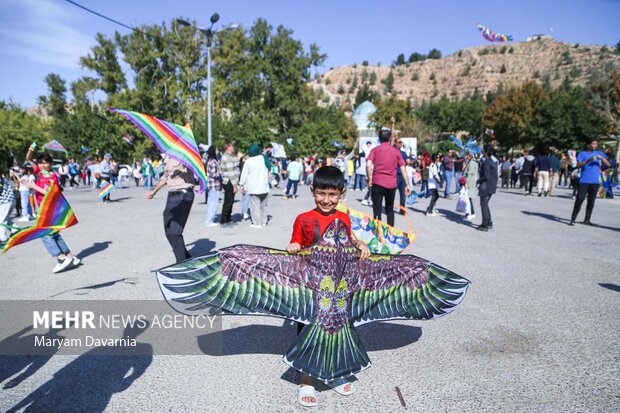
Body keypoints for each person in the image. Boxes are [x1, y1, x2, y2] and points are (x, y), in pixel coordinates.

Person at [286, 165, 370, 407]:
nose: (326, 200)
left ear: (342, 193)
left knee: (336, 329)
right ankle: (306, 379)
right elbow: (295, 242)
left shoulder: (343, 217)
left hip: (336, 286)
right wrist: (293, 246)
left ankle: (333, 373)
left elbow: (350, 240)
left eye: (332, 195)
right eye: (321, 193)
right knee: (308, 331)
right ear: (312, 191)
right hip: (310, 286)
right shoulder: (303, 219)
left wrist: (360, 243)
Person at [25, 147, 81, 273]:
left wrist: (33, 186)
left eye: (46, 163)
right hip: (43, 208)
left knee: (43, 233)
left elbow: (50, 194)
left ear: (51, 164)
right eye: (41, 163)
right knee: (54, 233)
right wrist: (30, 150)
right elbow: (28, 159)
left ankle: (60, 258)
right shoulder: (38, 172)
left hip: (51, 209)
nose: (43, 165)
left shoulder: (53, 177)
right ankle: (70, 256)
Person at [147, 156, 196, 262]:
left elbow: (194, 167)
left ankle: (182, 264)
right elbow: (165, 177)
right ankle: (187, 258)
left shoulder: (186, 154)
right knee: (169, 229)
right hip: (172, 195)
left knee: (175, 231)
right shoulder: (168, 157)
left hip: (183, 194)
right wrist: (154, 191)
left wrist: (186, 164)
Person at [366, 129, 411, 226]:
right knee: (389, 209)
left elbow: (368, 165)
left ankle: (378, 233)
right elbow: (403, 169)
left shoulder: (375, 150)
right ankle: (390, 232)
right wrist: (407, 184)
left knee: (377, 210)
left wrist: (370, 178)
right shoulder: (396, 151)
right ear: (390, 138)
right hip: (391, 185)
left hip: (377, 183)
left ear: (379, 138)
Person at [569, 139, 610, 226]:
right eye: (593, 144)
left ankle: (587, 220)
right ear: (588, 145)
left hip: (595, 182)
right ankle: (573, 219)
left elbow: (608, 165)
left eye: (596, 144)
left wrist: (602, 158)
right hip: (584, 181)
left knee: (591, 201)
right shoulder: (582, 153)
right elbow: (578, 164)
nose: (595, 145)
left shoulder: (599, 153)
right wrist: (589, 160)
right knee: (579, 200)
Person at [239, 144, 270, 228]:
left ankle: (257, 223)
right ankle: (264, 221)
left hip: (254, 187)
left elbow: (244, 174)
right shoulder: (263, 158)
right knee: (263, 206)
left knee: (255, 206)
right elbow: (269, 168)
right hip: (264, 187)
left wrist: (241, 184)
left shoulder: (249, 161)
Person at [476, 145, 498, 231]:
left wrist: (478, 181)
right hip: (491, 186)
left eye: (483, 151)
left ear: (486, 152)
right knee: (485, 204)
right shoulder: (492, 161)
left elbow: (486, 176)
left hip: (486, 186)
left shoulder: (487, 162)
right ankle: (488, 222)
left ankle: (485, 224)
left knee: (483, 204)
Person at [219, 143, 240, 225]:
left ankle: (228, 217)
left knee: (230, 201)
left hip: (230, 181)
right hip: (229, 181)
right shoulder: (227, 157)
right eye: (232, 146)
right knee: (228, 201)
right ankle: (224, 219)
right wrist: (235, 185)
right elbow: (231, 173)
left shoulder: (230, 156)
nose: (233, 147)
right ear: (228, 148)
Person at [204, 145, 221, 227]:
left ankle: (209, 219)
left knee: (211, 202)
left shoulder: (209, 160)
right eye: (216, 149)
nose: (218, 151)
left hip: (211, 184)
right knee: (213, 203)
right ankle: (209, 221)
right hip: (214, 184)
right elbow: (214, 174)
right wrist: (220, 172)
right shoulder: (213, 161)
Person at [0, 167, 16, 244]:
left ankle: (2, 238)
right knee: (5, 217)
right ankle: (15, 230)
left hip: (5, 202)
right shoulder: (3, 179)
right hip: (11, 201)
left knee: (2, 219)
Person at [463, 151, 479, 220]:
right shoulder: (471, 162)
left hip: (470, 182)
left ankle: (470, 213)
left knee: (468, 198)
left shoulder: (472, 163)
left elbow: (470, 173)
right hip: (471, 181)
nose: (467, 156)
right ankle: (470, 212)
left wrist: (466, 182)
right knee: (468, 198)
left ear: (471, 156)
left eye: (468, 155)